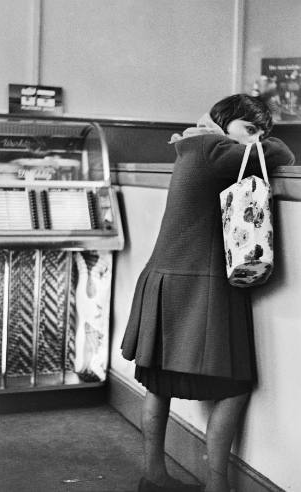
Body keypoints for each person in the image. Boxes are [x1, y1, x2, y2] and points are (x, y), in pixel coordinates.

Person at [121, 94, 295, 492]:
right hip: (199, 283)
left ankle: (154, 475)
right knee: (234, 385)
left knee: (159, 383)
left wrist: (247, 137)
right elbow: (282, 152)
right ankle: (216, 486)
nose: (254, 139)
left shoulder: (193, 145)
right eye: (249, 129)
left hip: (167, 279)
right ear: (223, 121)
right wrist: (259, 141)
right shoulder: (215, 149)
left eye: (258, 133)